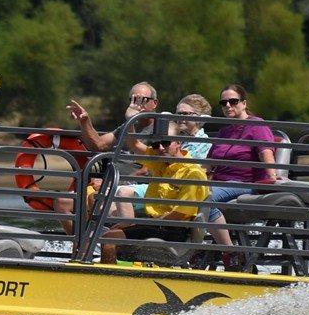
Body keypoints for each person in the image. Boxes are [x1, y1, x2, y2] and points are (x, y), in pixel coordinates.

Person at [200, 83, 283, 266]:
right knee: (188, 195)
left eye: (233, 101)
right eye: (223, 103)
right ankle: (189, 248)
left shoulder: (256, 125)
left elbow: (266, 152)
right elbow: (207, 165)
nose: (228, 105)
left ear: (244, 103)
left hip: (245, 182)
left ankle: (230, 252)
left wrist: (272, 175)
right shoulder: (224, 131)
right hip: (221, 182)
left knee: (204, 198)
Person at [99, 135, 208, 264]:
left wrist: (143, 224)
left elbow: (179, 215)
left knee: (109, 238)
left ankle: (108, 279)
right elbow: (134, 144)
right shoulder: (161, 163)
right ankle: (118, 275)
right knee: (113, 233)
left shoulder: (192, 173)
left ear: (178, 142)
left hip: (173, 230)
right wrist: (131, 118)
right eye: (156, 145)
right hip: (159, 225)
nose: (161, 148)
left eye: (166, 143)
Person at [66, 82, 158, 152]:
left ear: (154, 103)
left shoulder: (164, 126)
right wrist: (84, 121)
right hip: (115, 175)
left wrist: (130, 119)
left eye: (143, 100)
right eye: (134, 100)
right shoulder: (128, 126)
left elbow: (157, 159)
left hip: (136, 177)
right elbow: (99, 145)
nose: (138, 104)